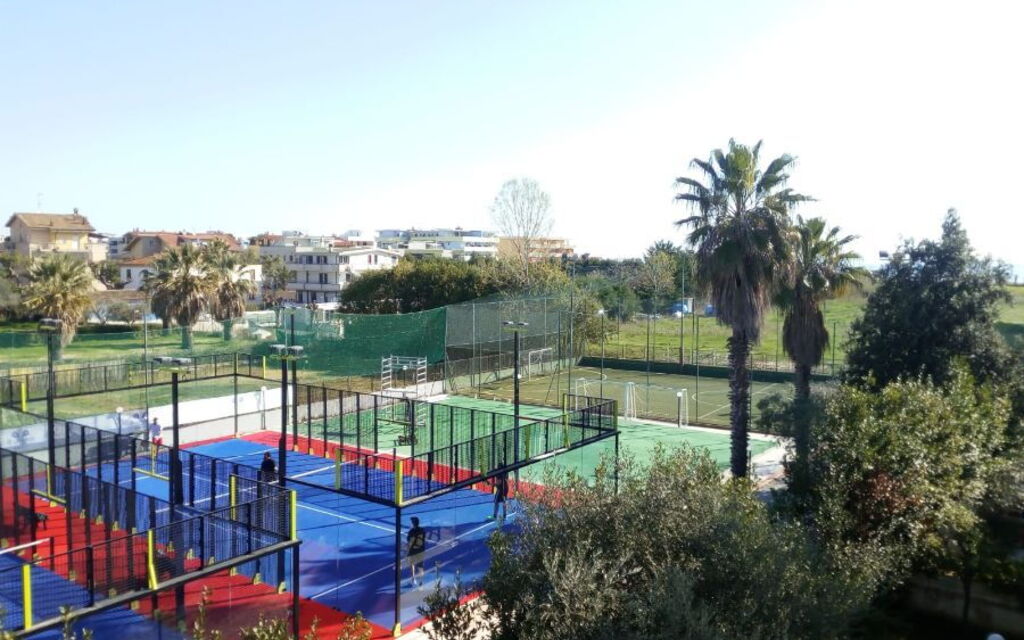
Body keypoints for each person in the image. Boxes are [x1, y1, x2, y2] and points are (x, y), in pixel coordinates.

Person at [407, 516, 427, 587]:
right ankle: (421, 581)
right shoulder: (422, 530)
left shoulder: (411, 531)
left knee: (412, 564)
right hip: (421, 550)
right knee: (420, 566)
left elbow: (409, 541)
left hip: (413, 550)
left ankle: (413, 579)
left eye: (412, 522)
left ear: (413, 523)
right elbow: (423, 539)